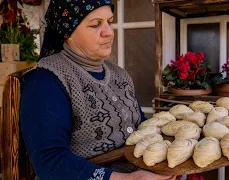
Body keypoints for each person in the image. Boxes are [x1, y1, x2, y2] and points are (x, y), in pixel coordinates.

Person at [20, 0, 176, 179]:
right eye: (95, 25)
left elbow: (140, 127)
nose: (109, 32)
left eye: (109, 22)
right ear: (67, 33)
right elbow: (49, 162)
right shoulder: (46, 81)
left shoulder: (120, 75)